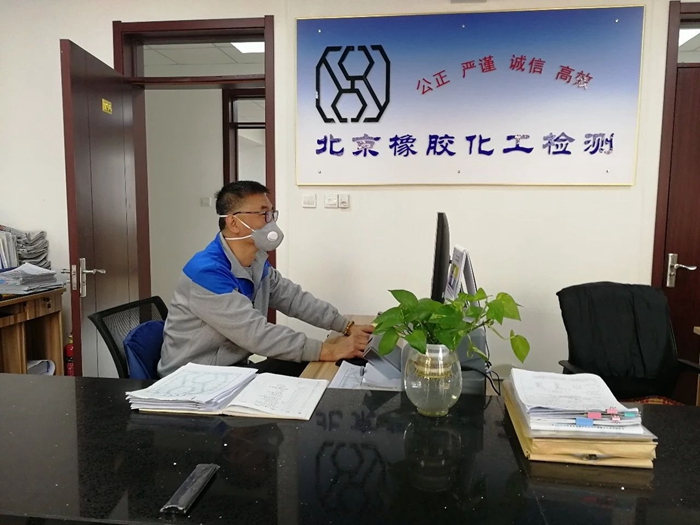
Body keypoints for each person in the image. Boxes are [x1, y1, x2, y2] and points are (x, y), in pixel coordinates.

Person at [157, 180, 374, 377]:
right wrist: (331, 350)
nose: (271, 221)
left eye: (272, 213)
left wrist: (346, 326)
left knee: (310, 368)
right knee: (310, 373)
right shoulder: (207, 273)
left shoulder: (256, 261)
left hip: (231, 371)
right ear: (233, 223)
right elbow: (255, 334)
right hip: (193, 379)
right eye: (263, 214)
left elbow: (293, 299)